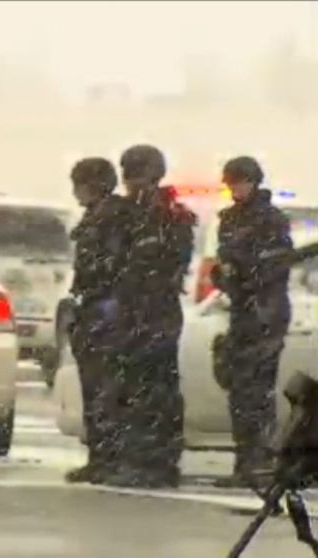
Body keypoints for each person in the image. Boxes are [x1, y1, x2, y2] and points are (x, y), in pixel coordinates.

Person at [110, 144, 196, 488]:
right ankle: (150, 461)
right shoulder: (154, 212)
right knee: (147, 387)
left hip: (149, 311)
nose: (129, 182)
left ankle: (152, 463)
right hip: (146, 311)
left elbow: (157, 266)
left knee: (148, 389)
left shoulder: (159, 214)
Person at [211, 156, 293, 488]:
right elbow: (226, 266)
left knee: (257, 391)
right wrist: (226, 276)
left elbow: (275, 267)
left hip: (265, 312)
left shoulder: (271, 220)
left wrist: (247, 273)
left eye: (240, 182)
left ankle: (259, 464)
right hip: (242, 310)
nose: (235, 189)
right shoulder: (229, 220)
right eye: (231, 182)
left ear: (253, 182)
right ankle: (245, 463)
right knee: (239, 391)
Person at [64, 157, 135, 484]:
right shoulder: (97, 216)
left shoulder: (114, 218)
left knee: (107, 391)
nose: (76, 193)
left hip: (108, 312)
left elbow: (112, 268)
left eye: (79, 185)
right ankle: (100, 458)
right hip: (92, 311)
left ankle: (109, 458)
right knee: (95, 390)